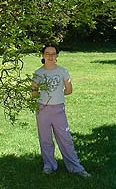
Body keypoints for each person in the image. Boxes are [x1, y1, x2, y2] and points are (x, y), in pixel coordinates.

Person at [32, 43, 91, 178]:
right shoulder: (38, 73)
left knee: (65, 138)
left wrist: (56, 94)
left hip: (58, 110)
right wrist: (45, 95)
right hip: (42, 110)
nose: (50, 56)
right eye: (48, 53)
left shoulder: (63, 71)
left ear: (57, 56)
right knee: (45, 139)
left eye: (53, 54)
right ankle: (49, 166)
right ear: (43, 55)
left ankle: (75, 167)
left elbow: (69, 90)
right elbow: (34, 93)